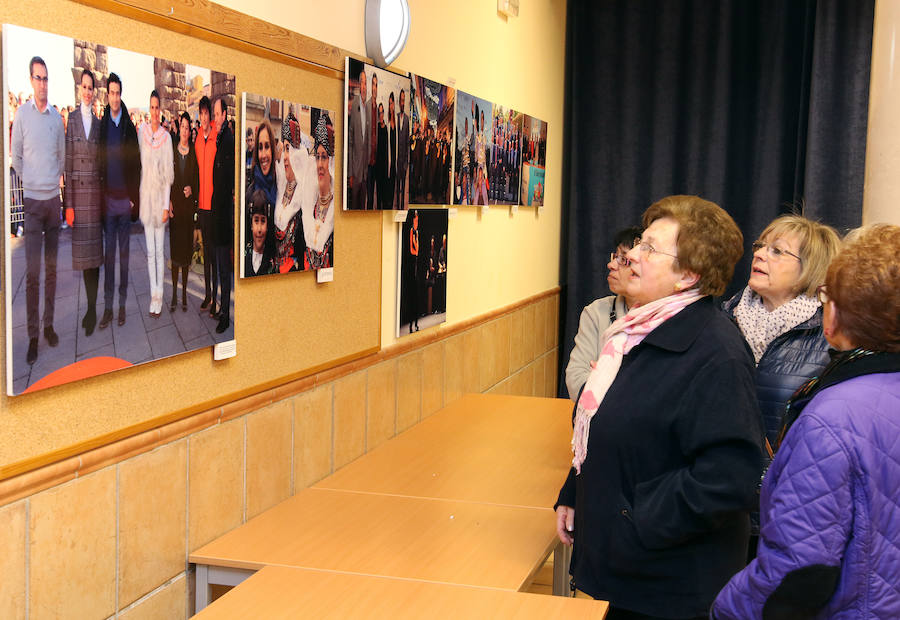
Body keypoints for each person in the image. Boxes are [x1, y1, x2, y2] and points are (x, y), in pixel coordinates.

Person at [555, 195, 763, 620]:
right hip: (637, 573)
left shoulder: (716, 352)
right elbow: (613, 428)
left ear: (689, 274)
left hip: (673, 584)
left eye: (649, 247)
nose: (632, 253)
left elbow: (728, 478)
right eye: (638, 244)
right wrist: (576, 491)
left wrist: (634, 518)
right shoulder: (632, 335)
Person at [712, 224, 900, 620]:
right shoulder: (722, 319)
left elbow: (800, 569)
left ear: (834, 315)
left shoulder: (833, 416)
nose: (761, 254)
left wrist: (725, 610)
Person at [722, 214, 842, 559]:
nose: (759, 254)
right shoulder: (722, 319)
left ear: (811, 269)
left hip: (792, 512)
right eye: (761, 246)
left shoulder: (830, 338)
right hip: (721, 504)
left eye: (778, 251)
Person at [11, 57, 65, 365]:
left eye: (46, 78)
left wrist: (48, 182)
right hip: (32, 205)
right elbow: (16, 157)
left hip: (52, 203)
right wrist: (32, 181)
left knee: (52, 270)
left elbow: (61, 157)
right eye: (38, 78)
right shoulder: (21, 116)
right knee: (33, 273)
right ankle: (33, 336)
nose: (42, 83)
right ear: (31, 80)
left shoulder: (56, 119)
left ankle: (48, 326)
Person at [565, 226, 642, 401]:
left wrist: (602, 378)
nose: (611, 265)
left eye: (623, 259)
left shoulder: (666, 317)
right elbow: (575, 378)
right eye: (615, 256)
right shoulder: (596, 312)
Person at [97, 72, 141, 332]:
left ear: (121, 94)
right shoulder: (104, 124)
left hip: (124, 203)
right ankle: (107, 309)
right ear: (108, 94)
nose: (114, 98)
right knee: (109, 258)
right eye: (110, 93)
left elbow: (136, 164)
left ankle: (123, 305)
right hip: (108, 203)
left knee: (123, 258)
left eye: (117, 93)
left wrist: (133, 198)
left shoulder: (128, 127)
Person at [64, 69, 103, 337]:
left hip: (95, 200)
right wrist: (67, 204)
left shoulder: (99, 125)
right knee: (83, 260)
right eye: (85, 87)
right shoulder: (73, 120)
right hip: (79, 198)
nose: (88, 91)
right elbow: (68, 164)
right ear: (80, 89)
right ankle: (89, 308)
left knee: (94, 260)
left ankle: (91, 309)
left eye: (91, 88)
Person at [138, 90, 174, 319]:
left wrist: (164, 205)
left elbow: (169, 175)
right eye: (151, 107)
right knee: (150, 253)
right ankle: (152, 293)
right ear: (148, 109)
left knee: (160, 252)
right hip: (145, 199)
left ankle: (160, 294)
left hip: (159, 200)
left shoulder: (166, 137)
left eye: (156, 107)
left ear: (160, 110)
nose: (154, 111)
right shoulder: (141, 132)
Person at [169, 112, 199, 311]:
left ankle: (185, 294)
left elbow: (197, 179)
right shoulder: (172, 150)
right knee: (175, 254)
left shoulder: (194, 152)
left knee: (186, 255)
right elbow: (166, 178)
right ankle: (173, 295)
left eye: (188, 128)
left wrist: (192, 190)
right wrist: (167, 201)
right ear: (179, 128)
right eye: (183, 127)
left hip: (187, 211)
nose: (185, 131)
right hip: (175, 209)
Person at [210, 97, 234, 334]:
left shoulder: (228, 140)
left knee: (225, 269)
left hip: (224, 216)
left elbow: (227, 184)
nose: (215, 119)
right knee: (219, 265)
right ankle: (221, 308)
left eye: (217, 114)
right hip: (218, 213)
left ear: (224, 114)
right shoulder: (221, 138)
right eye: (214, 114)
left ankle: (226, 315)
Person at [301, 114, 335, 270]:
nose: (320, 164)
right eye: (318, 157)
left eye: (325, 157)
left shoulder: (337, 210)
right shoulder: (309, 205)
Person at [194, 95, 218, 315]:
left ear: (210, 115)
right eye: (200, 113)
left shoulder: (215, 138)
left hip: (214, 204)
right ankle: (208, 295)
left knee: (214, 253)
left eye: (205, 113)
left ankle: (215, 297)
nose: (203, 117)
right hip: (201, 205)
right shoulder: (197, 141)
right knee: (205, 252)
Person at [348, 68, 369, 210]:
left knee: (363, 209)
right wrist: (350, 173)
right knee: (353, 207)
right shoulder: (353, 106)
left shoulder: (369, 109)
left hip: (365, 172)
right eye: (362, 82)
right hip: (355, 173)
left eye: (365, 83)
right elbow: (350, 143)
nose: (363, 86)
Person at [244, 188, 274, 277]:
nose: (259, 229)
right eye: (256, 221)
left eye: (263, 221)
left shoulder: (272, 262)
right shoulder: (243, 256)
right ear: (251, 224)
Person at [396, 89, 409, 209]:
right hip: (396, 161)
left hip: (403, 162)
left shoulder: (407, 119)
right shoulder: (395, 118)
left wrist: (406, 162)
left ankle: (401, 209)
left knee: (403, 186)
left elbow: (407, 143)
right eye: (401, 100)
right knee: (397, 188)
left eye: (404, 100)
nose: (402, 102)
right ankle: (397, 207)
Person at [367, 72, 378, 210]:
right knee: (369, 198)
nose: (375, 87)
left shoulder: (378, 109)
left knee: (377, 199)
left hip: (378, 162)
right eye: (373, 84)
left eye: (376, 84)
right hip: (368, 162)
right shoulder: (366, 107)